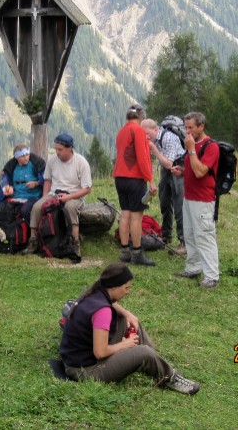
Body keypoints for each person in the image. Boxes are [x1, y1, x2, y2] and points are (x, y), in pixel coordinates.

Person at [59, 263, 200, 395]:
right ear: (113, 287)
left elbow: (112, 305)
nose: (128, 292)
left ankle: (155, 363)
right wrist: (124, 344)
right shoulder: (102, 311)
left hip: (77, 359)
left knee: (130, 322)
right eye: (126, 287)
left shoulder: (95, 292)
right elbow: (100, 353)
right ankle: (168, 378)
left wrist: (128, 314)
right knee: (143, 353)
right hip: (85, 371)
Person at [24, 133, 92, 257]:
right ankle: (34, 241)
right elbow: (48, 180)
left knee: (70, 207)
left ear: (69, 148)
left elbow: (87, 189)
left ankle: (74, 243)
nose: (57, 152)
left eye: (60, 149)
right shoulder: (52, 160)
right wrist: (45, 197)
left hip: (74, 195)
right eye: (56, 149)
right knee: (37, 207)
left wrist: (68, 197)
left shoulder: (81, 162)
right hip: (54, 193)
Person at [174, 112, 220, 288]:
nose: (188, 131)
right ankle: (193, 268)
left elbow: (201, 172)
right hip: (189, 197)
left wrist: (191, 149)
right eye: (186, 127)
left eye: (191, 127)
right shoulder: (192, 144)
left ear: (201, 127)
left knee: (204, 236)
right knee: (190, 234)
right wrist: (183, 171)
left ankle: (212, 276)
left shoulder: (211, 146)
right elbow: (194, 169)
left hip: (203, 199)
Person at [113, 104, 157, 266]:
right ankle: (137, 253)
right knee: (137, 217)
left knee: (125, 214)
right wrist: (151, 180)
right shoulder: (138, 131)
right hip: (134, 178)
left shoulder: (121, 131)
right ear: (141, 117)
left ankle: (125, 251)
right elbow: (143, 158)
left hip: (120, 177)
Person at [141, 118, 187, 255]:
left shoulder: (168, 138)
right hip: (165, 169)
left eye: (147, 133)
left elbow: (169, 164)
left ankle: (184, 241)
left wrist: (153, 148)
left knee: (179, 204)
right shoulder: (154, 138)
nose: (146, 137)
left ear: (156, 129)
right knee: (164, 200)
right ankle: (166, 235)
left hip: (178, 166)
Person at [0, 144, 45, 223]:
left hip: (33, 196)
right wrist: (9, 187)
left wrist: (36, 183)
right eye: (22, 156)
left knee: (25, 210)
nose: (26, 158)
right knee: (0, 209)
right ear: (17, 158)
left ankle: (31, 232)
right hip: (16, 196)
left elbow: (45, 179)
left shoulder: (35, 164)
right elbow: (5, 179)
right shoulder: (12, 166)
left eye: (27, 154)